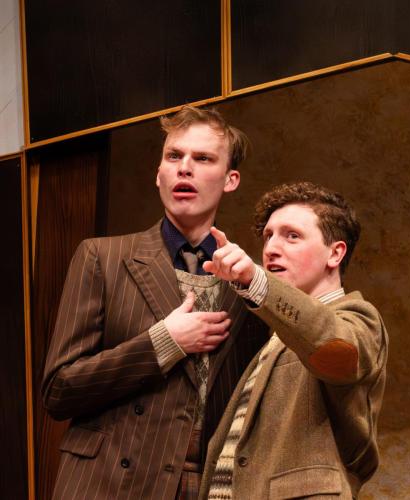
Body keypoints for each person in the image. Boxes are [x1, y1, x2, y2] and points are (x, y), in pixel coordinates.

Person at [41, 106, 269, 499]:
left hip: (205, 487)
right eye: (174, 156)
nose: (184, 168)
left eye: (202, 159)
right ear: (158, 174)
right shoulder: (103, 257)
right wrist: (164, 342)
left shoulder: (251, 284)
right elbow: (59, 392)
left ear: (230, 180)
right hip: (110, 483)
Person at [199, 181, 388, 499]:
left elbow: (335, 350)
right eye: (268, 236)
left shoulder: (359, 318)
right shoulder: (275, 336)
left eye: (292, 236)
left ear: (335, 253)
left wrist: (256, 281)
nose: (271, 247)